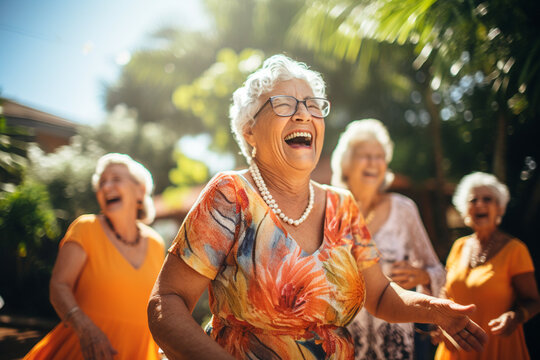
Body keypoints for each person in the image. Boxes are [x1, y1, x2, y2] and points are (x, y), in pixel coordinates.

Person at [147, 54, 487, 360]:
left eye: (312, 105)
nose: (302, 114)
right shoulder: (231, 194)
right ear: (249, 130)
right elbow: (168, 300)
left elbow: (380, 294)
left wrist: (434, 310)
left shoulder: (343, 205)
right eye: (283, 104)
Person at [25, 153, 165, 360]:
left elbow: (158, 304)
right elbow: (59, 286)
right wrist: (85, 328)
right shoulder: (86, 228)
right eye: (101, 183)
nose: (106, 187)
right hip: (82, 351)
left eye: (116, 179)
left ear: (140, 190)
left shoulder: (156, 243)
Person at [330, 119, 446, 359]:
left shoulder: (404, 209)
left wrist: (423, 276)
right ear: (346, 163)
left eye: (380, 156)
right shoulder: (330, 209)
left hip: (396, 342)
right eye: (366, 155)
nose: (374, 162)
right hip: (342, 342)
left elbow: (437, 268)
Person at [433, 172, 540, 360]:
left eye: (487, 199)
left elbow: (534, 301)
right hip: (455, 348)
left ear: (499, 208)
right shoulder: (459, 246)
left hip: (498, 348)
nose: (480, 204)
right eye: (473, 200)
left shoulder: (516, 250)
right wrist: (441, 323)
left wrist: (515, 317)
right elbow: (445, 289)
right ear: (466, 210)